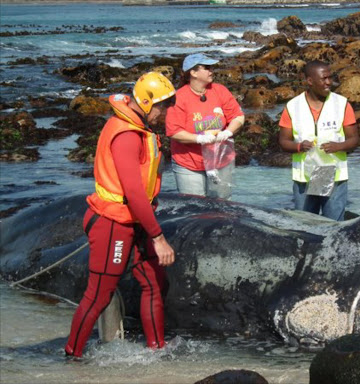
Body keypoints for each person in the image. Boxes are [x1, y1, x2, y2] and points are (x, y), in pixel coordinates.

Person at [65, 72, 176, 358]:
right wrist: (159, 237)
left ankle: (157, 353)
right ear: (146, 103)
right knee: (99, 294)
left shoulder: (141, 128)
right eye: (163, 106)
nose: (166, 113)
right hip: (112, 223)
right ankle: (71, 357)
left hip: (136, 220)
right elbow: (134, 193)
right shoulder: (126, 135)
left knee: (155, 282)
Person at [278, 60, 359, 221]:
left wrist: (339, 146)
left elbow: (355, 139)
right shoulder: (293, 106)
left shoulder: (341, 104)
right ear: (310, 81)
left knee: (333, 226)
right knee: (306, 225)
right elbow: (283, 142)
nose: (329, 82)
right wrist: (300, 146)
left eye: (330, 77)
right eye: (324, 79)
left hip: (333, 173)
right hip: (305, 176)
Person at [166, 53, 245, 199]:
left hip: (220, 160)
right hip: (189, 164)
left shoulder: (219, 90)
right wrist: (200, 139)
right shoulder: (179, 98)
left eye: (211, 67)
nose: (211, 71)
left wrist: (227, 132)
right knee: (194, 209)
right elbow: (174, 132)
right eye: (207, 67)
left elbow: (238, 116)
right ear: (193, 72)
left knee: (222, 206)